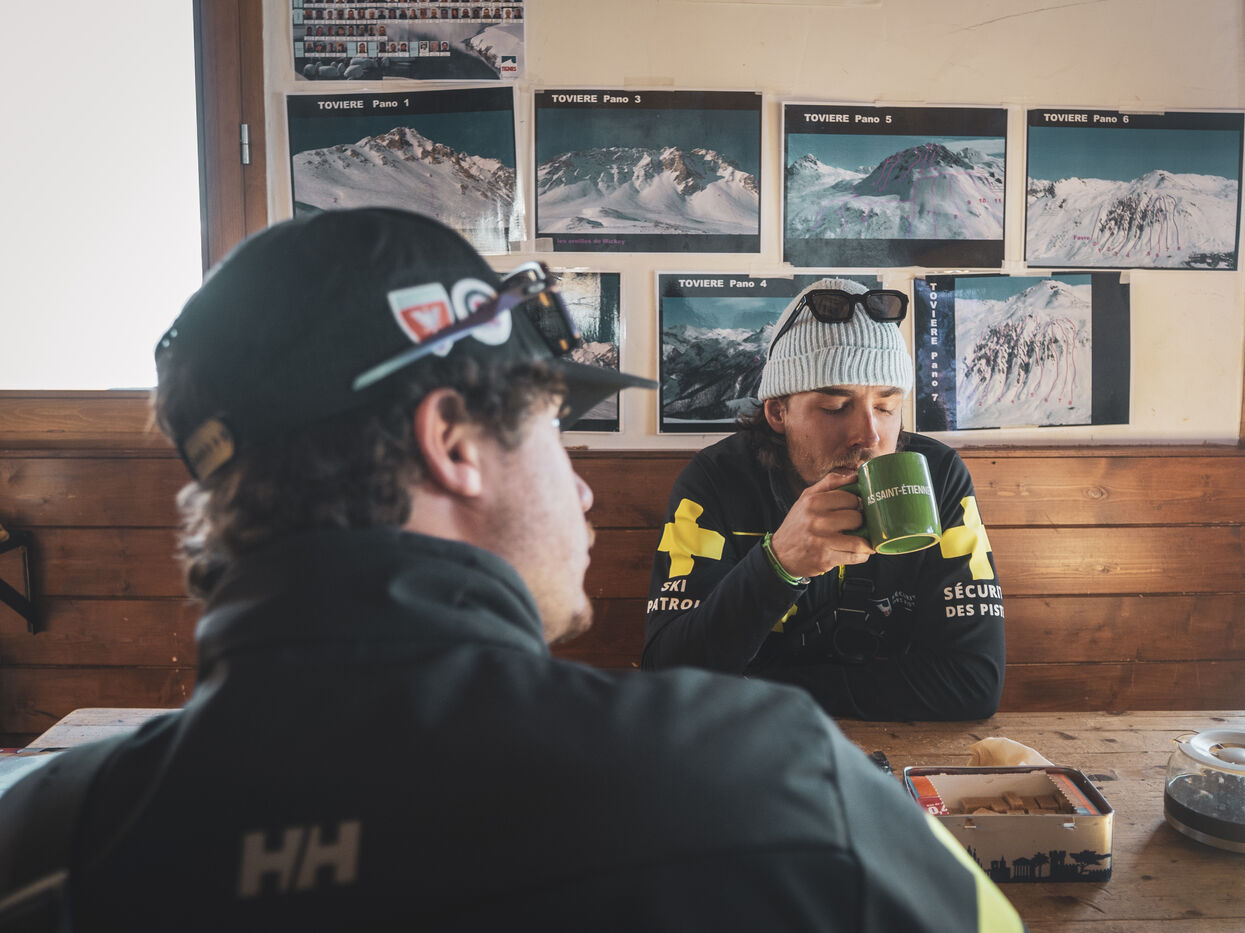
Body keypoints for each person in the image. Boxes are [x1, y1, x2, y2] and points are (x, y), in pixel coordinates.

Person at [0, 211, 1021, 931]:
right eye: (551, 430)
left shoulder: (39, 844)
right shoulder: (775, 786)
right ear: (451, 443)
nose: (579, 486)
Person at [642, 277, 1007, 722]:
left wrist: (757, 690)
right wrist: (777, 565)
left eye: (887, 407)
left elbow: (974, 682)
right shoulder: (717, 480)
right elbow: (666, 675)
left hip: (881, 745)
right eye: (836, 407)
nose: (870, 436)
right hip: (745, 744)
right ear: (778, 412)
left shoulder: (937, 476)